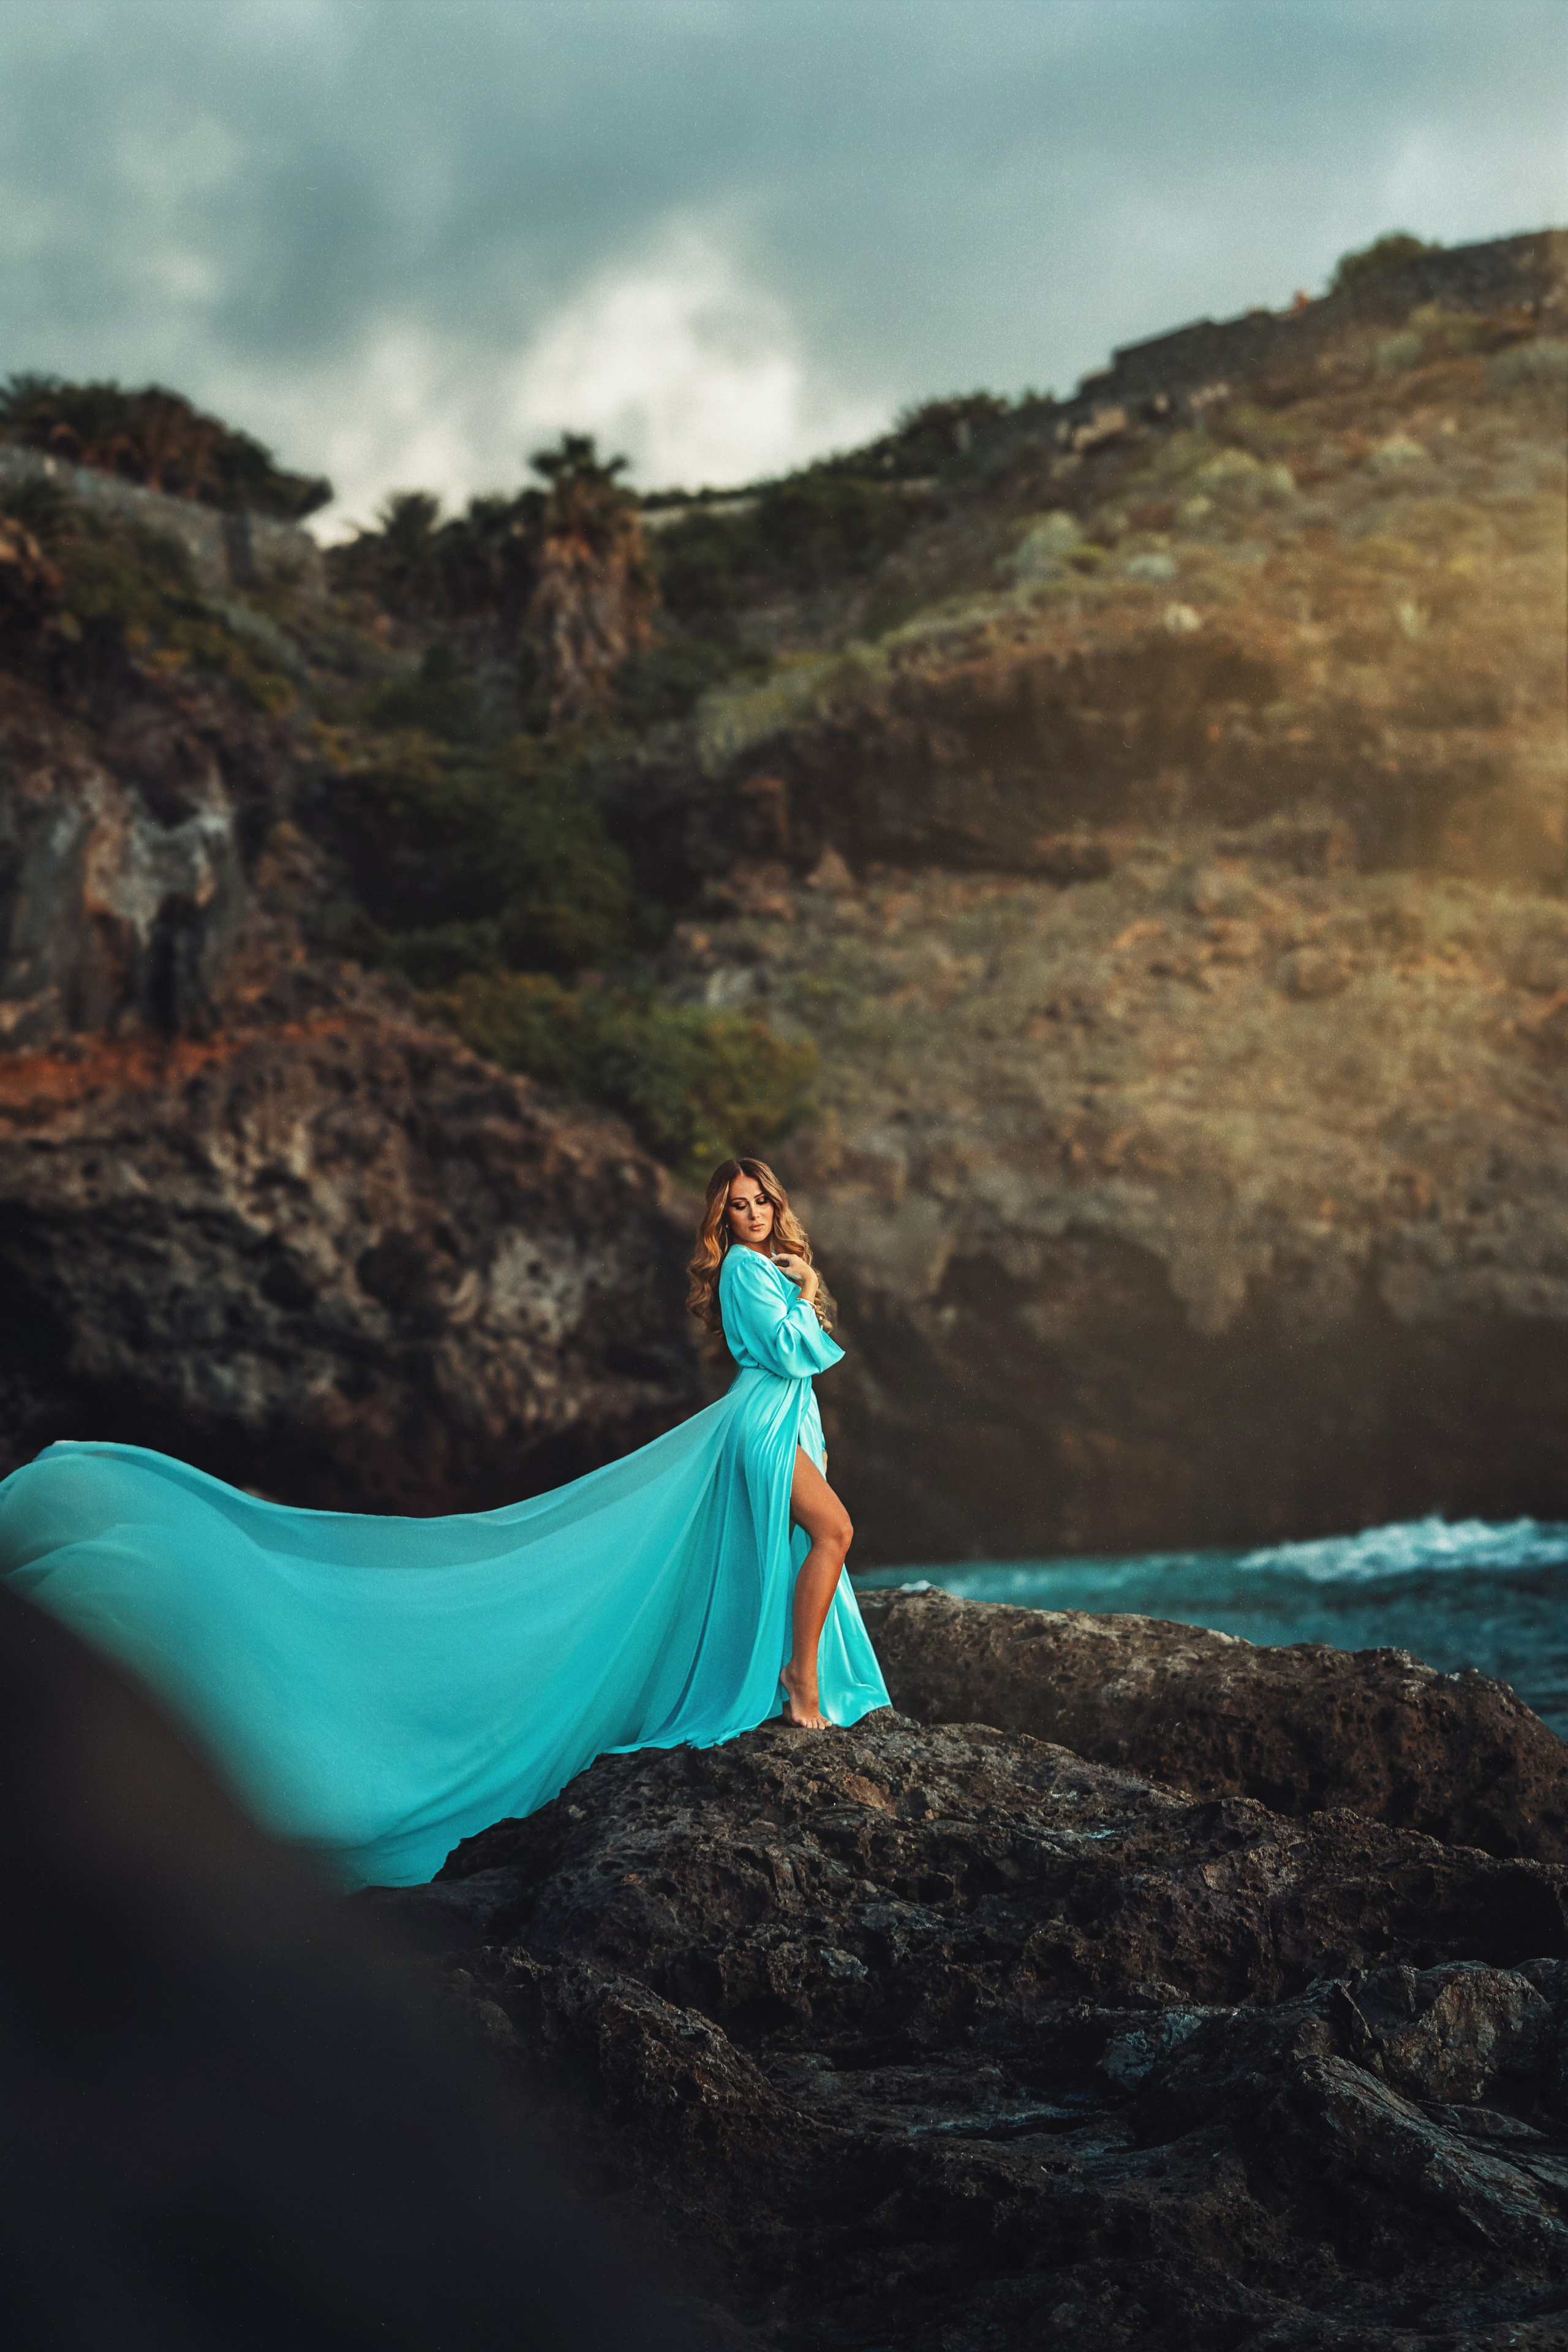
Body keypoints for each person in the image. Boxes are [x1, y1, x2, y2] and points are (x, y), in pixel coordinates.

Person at [0, 1157, 890, 1888]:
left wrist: (798, 1284)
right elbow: (790, 1350)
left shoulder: (765, 1266)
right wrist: (802, 1285)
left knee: (797, 1543)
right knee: (835, 1532)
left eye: (761, 1202)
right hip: (758, 1425)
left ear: (777, 1203)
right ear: (724, 1222)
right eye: (737, 1208)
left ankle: (794, 1679)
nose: (752, 1216)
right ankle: (800, 1685)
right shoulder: (746, 1270)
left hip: (773, 1419)